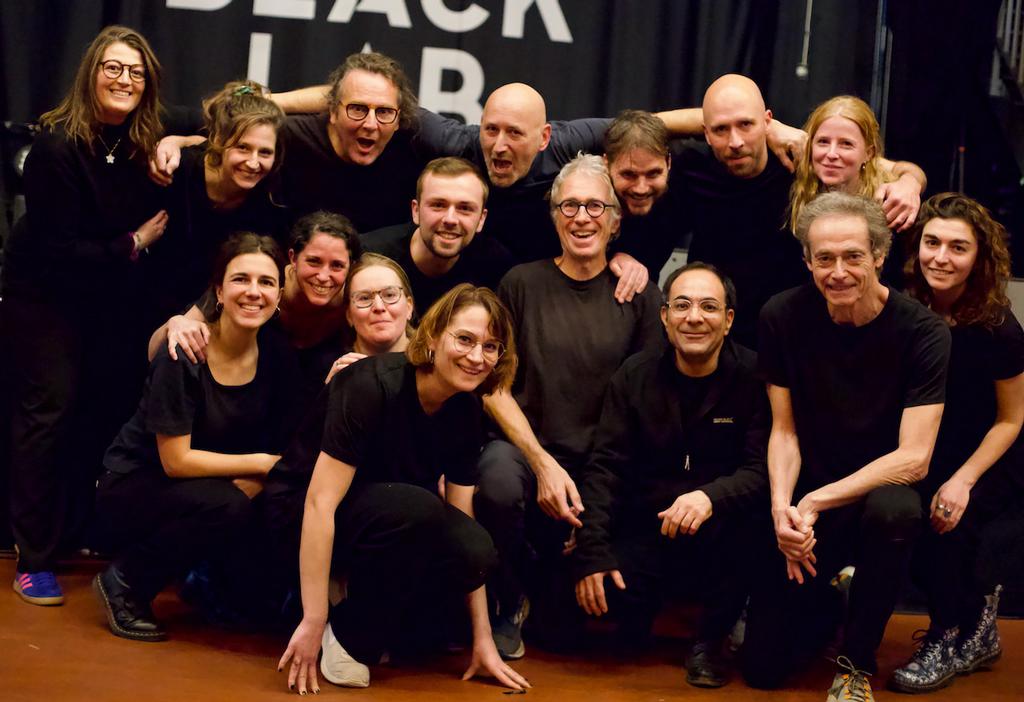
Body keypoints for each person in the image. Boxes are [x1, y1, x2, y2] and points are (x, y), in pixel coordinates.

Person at [2, 25, 189, 606]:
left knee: (103, 410)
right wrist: (132, 244)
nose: (124, 79)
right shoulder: (57, 148)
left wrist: (176, 140)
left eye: (136, 72)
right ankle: (32, 559)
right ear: (91, 73)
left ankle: (77, 533)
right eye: (113, 67)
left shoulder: (145, 134)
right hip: (46, 294)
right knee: (49, 413)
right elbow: (57, 253)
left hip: (108, 296)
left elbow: (226, 116)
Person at [741, 192, 951, 702]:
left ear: (879, 255)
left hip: (879, 493)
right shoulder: (781, 315)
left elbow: (914, 459)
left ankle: (857, 662)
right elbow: (784, 431)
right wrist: (783, 510)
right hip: (812, 497)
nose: (838, 272)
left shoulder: (923, 331)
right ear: (808, 261)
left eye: (853, 256)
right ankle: (836, 597)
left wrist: (815, 500)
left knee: (895, 510)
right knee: (763, 667)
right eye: (825, 258)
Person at [276, 285, 529, 694]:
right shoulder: (371, 384)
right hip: (298, 513)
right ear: (433, 337)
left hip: (389, 519)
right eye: (464, 339)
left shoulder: (465, 408)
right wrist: (313, 619)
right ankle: (347, 634)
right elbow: (319, 504)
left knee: (475, 549)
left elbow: (463, 522)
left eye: (490, 346)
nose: (476, 357)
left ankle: (355, 609)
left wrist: (481, 639)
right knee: (421, 507)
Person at [475, 154, 664, 660]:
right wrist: (542, 464)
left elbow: (645, 409)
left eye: (595, 206)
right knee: (495, 479)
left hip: (604, 467)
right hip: (529, 453)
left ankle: (554, 587)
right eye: (570, 206)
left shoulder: (641, 296)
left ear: (615, 221)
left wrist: (595, 508)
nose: (582, 217)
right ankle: (509, 597)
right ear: (554, 215)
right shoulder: (520, 283)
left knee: (589, 627)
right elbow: (494, 388)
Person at [92, 233, 298, 641]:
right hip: (136, 483)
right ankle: (125, 581)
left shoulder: (278, 355)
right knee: (229, 506)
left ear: (279, 294)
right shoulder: (185, 350)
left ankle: (216, 588)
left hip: (208, 484)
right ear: (218, 291)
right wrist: (261, 467)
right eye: (240, 279)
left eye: (266, 282)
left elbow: (284, 440)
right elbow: (176, 461)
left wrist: (260, 478)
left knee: (265, 503)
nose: (253, 292)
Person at [574, 262, 769, 688]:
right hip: (651, 530)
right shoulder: (634, 375)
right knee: (572, 614)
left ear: (728, 320)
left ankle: (710, 642)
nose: (694, 317)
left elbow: (761, 471)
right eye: (681, 305)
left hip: (725, 534)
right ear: (664, 316)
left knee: (751, 537)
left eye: (708, 307)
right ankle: (640, 614)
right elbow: (605, 467)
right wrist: (593, 551)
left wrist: (710, 497)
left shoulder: (755, 377)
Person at [889, 193, 1023, 693]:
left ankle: (947, 636)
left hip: (987, 455)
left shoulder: (998, 328)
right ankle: (978, 627)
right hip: (925, 446)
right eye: (932, 243)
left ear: (979, 257)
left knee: (948, 523)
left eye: (958, 247)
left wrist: (963, 480)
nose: (941, 258)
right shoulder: (904, 306)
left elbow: (1011, 420)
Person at [151, 210, 361, 399]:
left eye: (337, 265)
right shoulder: (260, 281)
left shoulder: (354, 297)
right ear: (293, 258)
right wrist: (175, 324)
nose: (323, 276)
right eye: (314, 261)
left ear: (350, 267)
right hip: (248, 386)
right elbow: (154, 353)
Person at [670, 74, 811, 348]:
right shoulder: (692, 170)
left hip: (789, 340)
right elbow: (633, 130)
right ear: (705, 133)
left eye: (746, 124)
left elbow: (877, 168)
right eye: (721, 129)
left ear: (768, 122)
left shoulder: (800, 163)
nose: (735, 141)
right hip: (714, 342)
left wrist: (903, 180)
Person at [148, 79, 288, 322]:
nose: (253, 162)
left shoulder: (270, 199)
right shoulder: (176, 171)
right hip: (147, 301)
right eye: (243, 148)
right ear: (219, 143)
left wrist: (193, 319)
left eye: (265, 152)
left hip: (213, 315)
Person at [788, 95, 927, 284]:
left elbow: (906, 170)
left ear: (868, 153)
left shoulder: (889, 202)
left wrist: (911, 181)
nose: (831, 153)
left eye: (846, 144)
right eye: (823, 142)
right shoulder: (794, 184)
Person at [361, 157, 512, 314]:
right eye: (438, 205)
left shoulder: (495, 266)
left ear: (481, 219)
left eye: (465, 208)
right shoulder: (370, 255)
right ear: (416, 211)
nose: (450, 219)